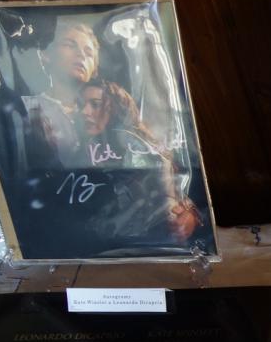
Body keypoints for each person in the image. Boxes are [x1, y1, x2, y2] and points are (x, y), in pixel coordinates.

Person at [76, 77, 202, 243]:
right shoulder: (76, 152)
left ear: (115, 110)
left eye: (95, 104)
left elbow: (174, 197)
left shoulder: (141, 152)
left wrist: (188, 216)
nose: (84, 111)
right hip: (92, 246)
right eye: (80, 104)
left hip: (146, 244)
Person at [24, 20, 100, 169]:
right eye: (70, 45)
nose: (81, 55)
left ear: (94, 70)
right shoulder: (27, 108)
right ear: (46, 54)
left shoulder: (102, 114)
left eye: (89, 53)